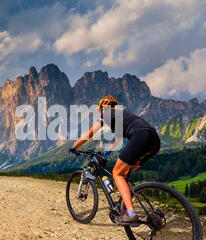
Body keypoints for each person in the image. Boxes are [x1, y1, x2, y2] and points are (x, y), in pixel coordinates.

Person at [69, 95, 161, 226]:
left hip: (140, 136)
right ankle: (134, 207)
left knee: (117, 173)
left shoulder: (106, 113)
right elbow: (117, 141)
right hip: (154, 141)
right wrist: (107, 151)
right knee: (126, 174)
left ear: (102, 107)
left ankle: (131, 214)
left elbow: (89, 134)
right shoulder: (120, 115)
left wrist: (74, 147)